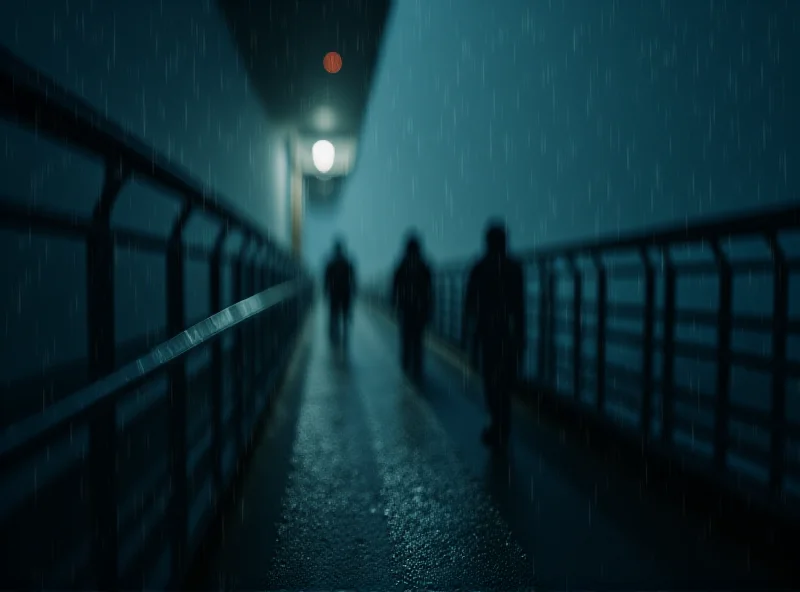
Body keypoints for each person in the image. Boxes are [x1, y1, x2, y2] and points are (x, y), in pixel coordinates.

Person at [462, 221, 526, 451]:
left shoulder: (479, 267)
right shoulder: (514, 267)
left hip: (486, 331)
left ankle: (496, 423)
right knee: (505, 380)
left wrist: (469, 332)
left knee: (490, 378)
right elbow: (519, 306)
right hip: (507, 332)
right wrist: (521, 335)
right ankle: (503, 425)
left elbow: (469, 303)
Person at [392, 233, 433, 380]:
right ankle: (417, 367)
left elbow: (395, 286)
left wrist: (395, 304)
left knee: (406, 337)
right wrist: (429, 309)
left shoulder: (402, 265)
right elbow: (429, 290)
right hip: (420, 309)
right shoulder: (424, 265)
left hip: (406, 308)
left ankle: (405, 364)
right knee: (418, 338)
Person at [323, 239, 356, 345]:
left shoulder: (331, 263)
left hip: (334, 293)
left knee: (334, 315)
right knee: (345, 316)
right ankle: (345, 336)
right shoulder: (347, 262)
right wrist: (353, 291)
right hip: (345, 293)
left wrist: (326, 291)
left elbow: (326, 279)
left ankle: (335, 336)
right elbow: (353, 279)